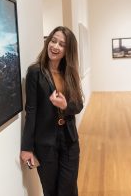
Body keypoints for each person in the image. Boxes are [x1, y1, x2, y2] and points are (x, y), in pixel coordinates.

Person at [20, 26, 84, 196]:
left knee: (69, 189)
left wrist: (65, 106)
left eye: (62, 44)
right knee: (50, 190)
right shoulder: (35, 72)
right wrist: (26, 148)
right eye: (53, 41)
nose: (55, 46)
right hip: (46, 143)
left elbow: (78, 106)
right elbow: (31, 111)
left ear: (67, 50)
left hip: (70, 140)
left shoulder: (70, 73)